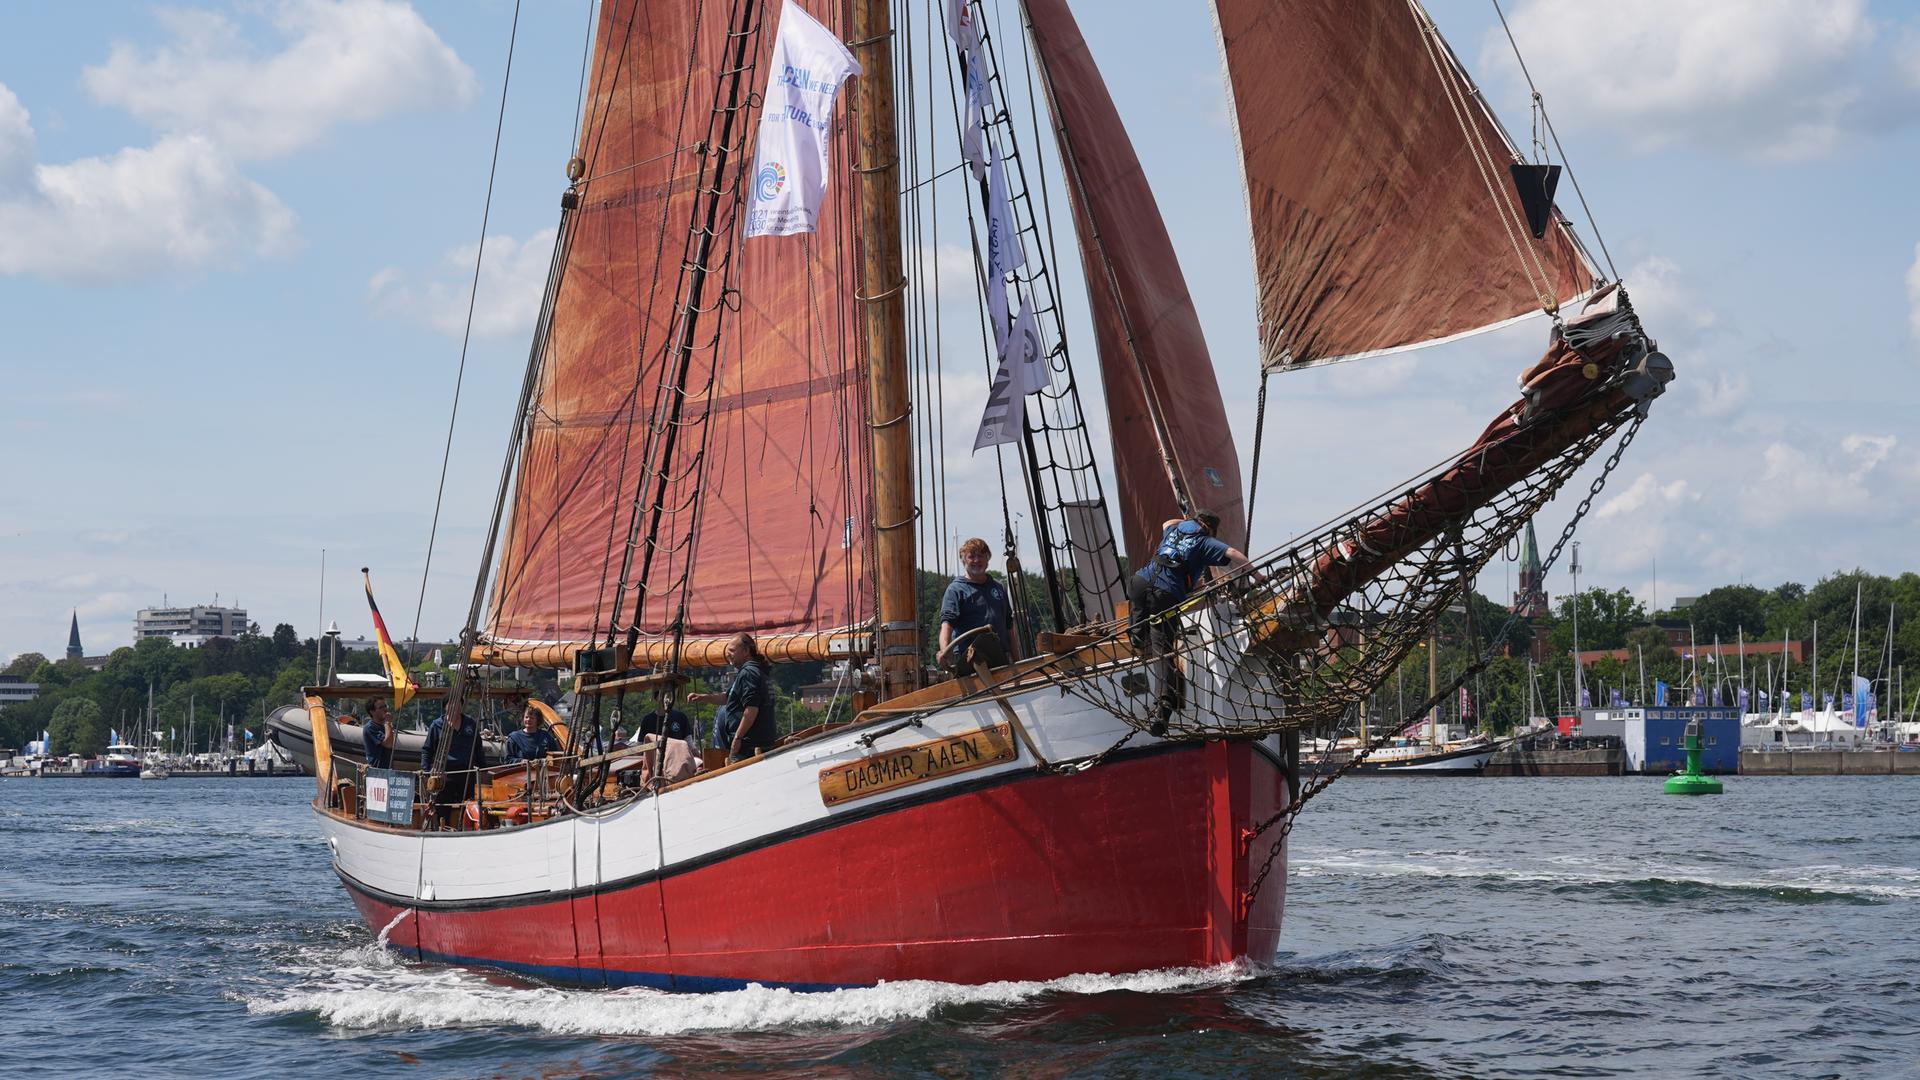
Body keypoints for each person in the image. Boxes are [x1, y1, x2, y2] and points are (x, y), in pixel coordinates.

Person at [1127, 509, 1249, 733]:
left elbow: (1166, 521)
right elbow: (1233, 553)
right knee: (1162, 649)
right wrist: (1258, 576)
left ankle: (1136, 637)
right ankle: (1164, 706)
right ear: (1210, 530)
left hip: (1139, 583)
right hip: (1165, 595)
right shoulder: (1205, 541)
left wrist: (1188, 521)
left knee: (1138, 621)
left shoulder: (1175, 529)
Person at [687, 633, 776, 763]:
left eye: (732, 651)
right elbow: (727, 698)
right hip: (760, 742)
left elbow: (751, 709)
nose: (728, 654)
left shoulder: (748, 673)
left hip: (748, 746)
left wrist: (738, 737)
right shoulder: (758, 671)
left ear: (746, 651)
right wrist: (703, 697)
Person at [937, 537, 1016, 674]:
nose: (976, 560)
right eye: (971, 557)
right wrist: (944, 651)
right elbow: (947, 624)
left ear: (987, 558)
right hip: (969, 661)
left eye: (981, 556)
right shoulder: (955, 590)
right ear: (964, 560)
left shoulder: (998, 587)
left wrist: (1017, 661)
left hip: (1001, 658)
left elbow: (1009, 627)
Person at [422, 707, 487, 826]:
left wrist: (483, 769)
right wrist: (426, 770)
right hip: (444, 774)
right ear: (445, 707)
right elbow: (427, 749)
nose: (455, 707)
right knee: (443, 809)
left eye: (458, 704)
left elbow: (478, 748)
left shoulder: (470, 724)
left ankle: (466, 830)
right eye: (451, 705)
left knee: (468, 807)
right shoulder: (437, 725)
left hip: (466, 773)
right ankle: (443, 828)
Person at [361, 698, 397, 771]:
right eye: (381, 707)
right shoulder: (370, 728)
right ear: (372, 712)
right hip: (377, 771)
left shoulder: (386, 727)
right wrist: (387, 722)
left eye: (385, 706)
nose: (385, 709)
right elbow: (388, 744)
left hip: (388, 770)